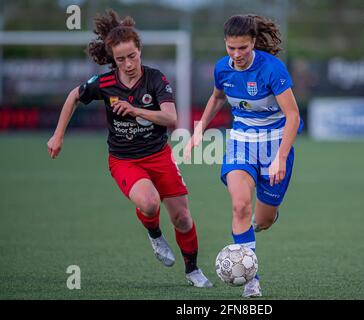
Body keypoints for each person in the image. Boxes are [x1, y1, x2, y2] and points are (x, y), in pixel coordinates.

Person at [47, 9, 212, 288]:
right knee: (148, 203)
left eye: (132, 56)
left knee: (182, 217)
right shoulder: (106, 83)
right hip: (124, 160)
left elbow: (171, 117)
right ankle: (155, 235)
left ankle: (192, 270)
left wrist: (137, 110)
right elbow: (73, 97)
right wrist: (57, 135)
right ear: (113, 59)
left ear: (140, 51)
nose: (128, 63)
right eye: (120, 59)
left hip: (159, 156)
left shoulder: (156, 79)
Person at [185, 14, 303, 297]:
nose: (236, 55)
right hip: (241, 142)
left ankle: (258, 225)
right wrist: (200, 129)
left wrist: (280, 157)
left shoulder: (272, 69)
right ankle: (252, 281)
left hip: (275, 145)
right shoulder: (222, 69)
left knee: (261, 220)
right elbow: (217, 97)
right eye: (231, 48)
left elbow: (293, 115)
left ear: (253, 44)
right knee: (240, 206)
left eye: (243, 48)